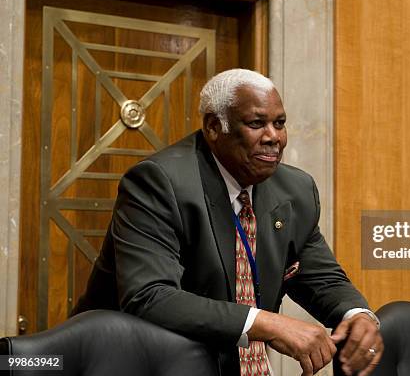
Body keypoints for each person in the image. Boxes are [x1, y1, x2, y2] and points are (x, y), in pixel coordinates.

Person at [73, 69, 382, 376]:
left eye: (280, 123)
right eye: (256, 123)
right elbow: (150, 295)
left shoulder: (295, 190)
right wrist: (265, 323)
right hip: (139, 363)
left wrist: (357, 314)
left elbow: (322, 277)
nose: (274, 137)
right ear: (213, 127)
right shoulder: (159, 182)